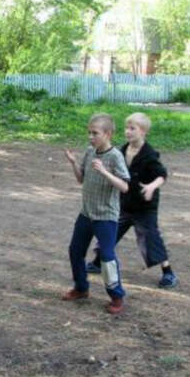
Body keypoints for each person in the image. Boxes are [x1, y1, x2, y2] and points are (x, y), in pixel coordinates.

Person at [86, 113, 178, 288]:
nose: (127, 132)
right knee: (111, 232)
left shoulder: (149, 154)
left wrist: (151, 187)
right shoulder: (122, 150)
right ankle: (98, 262)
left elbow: (162, 175)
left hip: (144, 206)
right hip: (125, 203)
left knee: (150, 237)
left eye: (132, 128)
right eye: (126, 128)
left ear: (143, 131)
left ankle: (168, 273)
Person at [63, 114, 130, 314]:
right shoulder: (90, 152)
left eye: (95, 133)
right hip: (86, 213)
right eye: (89, 133)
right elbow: (81, 179)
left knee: (107, 257)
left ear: (108, 134)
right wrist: (74, 163)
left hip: (106, 216)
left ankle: (117, 296)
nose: (91, 137)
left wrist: (105, 172)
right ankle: (81, 288)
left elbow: (124, 186)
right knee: (75, 250)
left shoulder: (115, 156)